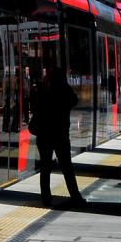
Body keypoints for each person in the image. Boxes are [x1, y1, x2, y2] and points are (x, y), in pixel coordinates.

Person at [29, 67, 85, 207]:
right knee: (67, 167)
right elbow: (74, 101)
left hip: (44, 135)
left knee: (45, 167)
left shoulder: (43, 90)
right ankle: (75, 196)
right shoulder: (65, 91)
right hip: (60, 135)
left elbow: (34, 105)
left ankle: (46, 198)